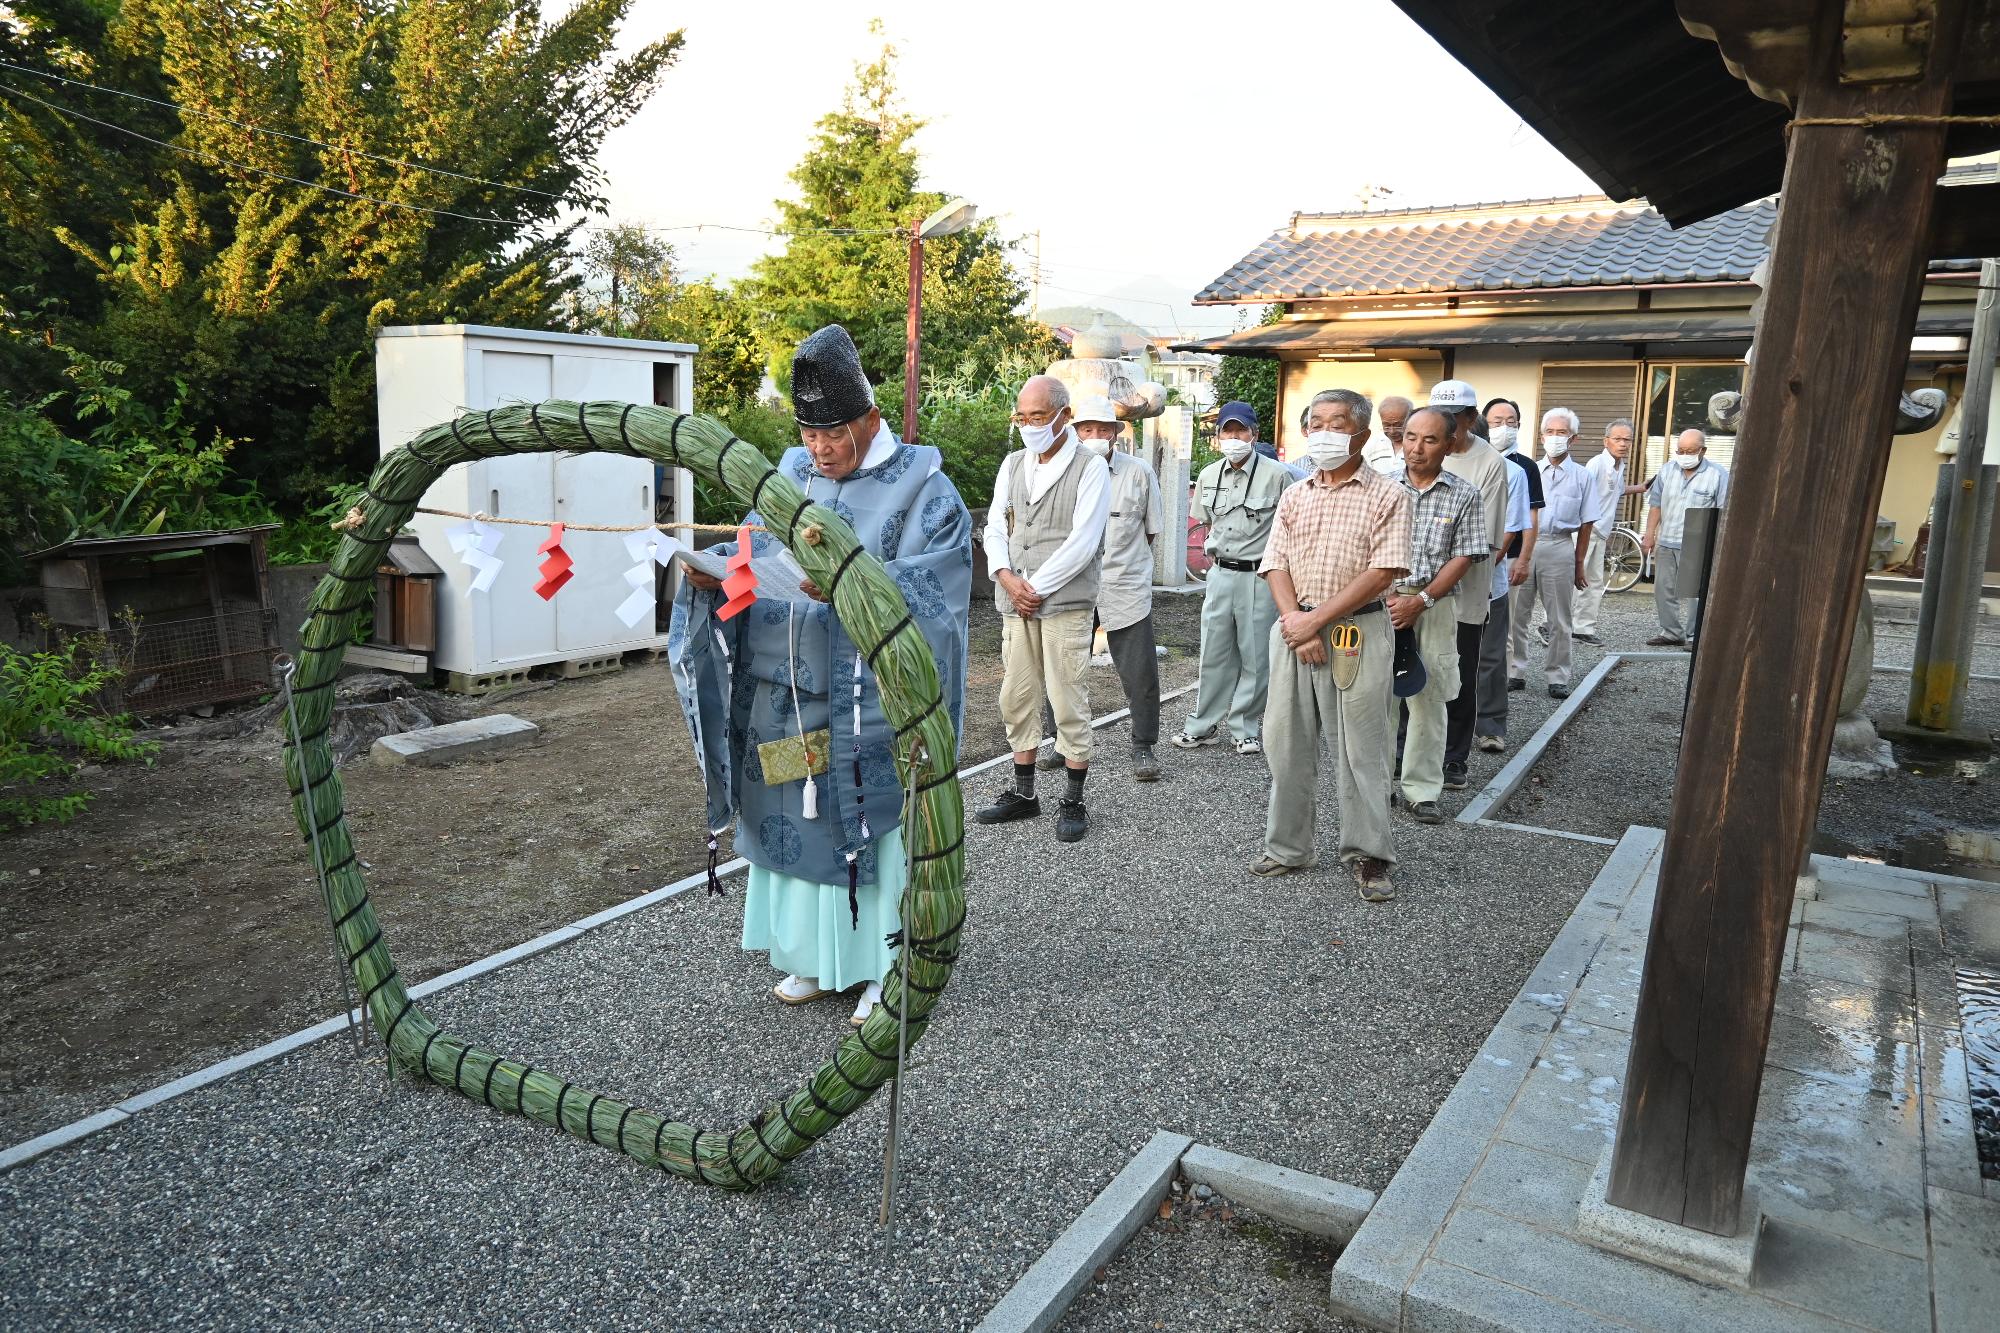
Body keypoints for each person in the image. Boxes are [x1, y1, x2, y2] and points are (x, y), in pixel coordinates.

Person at [669, 324, 973, 1027]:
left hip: (866, 705)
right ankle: (808, 952)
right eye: (809, 434)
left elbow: (942, 588)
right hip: (783, 695)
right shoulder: (788, 478)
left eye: (834, 433)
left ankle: (881, 964)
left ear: (871, 419)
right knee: (790, 823)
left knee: (865, 826)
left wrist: (850, 582)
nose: (820, 448)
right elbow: (754, 548)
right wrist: (713, 572)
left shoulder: (925, 489)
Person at [1249, 411, 1412, 902]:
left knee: (1361, 747)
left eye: (1336, 422)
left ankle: (1370, 855)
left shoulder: (1388, 494)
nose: (1323, 432)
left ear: (1361, 434)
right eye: (1315, 422)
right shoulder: (1296, 494)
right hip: (1295, 627)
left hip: (1356, 630)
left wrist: (1314, 621)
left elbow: (1383, 572)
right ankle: (1288, 847)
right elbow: (1275, 563)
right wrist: (1299, 622)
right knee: (1284, 740)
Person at [976, 375, 1111, 842]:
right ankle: (1024, 793)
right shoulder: (1014, 463)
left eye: (1038, 417)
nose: (1029, 426)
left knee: (1068, 696)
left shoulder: (1090, 467)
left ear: (1063, 416)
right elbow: (996, 525)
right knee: (1016, 696)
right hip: (1016, 601)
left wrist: (1034, 586)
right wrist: (1007, 578)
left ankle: (1073, 799)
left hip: (1065, 605)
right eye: (1023, 417)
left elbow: (1084, 541)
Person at [1035, 395, 1165, 782]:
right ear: (1073, 431)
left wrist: (1127, 568)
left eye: (1103, 430)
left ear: (1115, 435)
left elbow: (1152, 530)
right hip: (1072, 585)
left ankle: (1143, 746)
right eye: (1087, 429)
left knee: (1139, 671)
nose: (1095, 436)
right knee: (1062, 667)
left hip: (1124, 585)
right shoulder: (1060, 472)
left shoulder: (1139, 472)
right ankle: (1062, 741)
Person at [1176, 399, 1297, 755]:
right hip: (1220, 574)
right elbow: (1208, 523)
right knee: (1213, 651)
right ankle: (1202, 724)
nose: (1233, 437)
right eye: (1227, 431)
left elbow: (1289, 530)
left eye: (1239, 430)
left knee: (1256, 655)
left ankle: (1244, 727)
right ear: (1218, 437)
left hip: (1261, 576)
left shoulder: (1278, 475)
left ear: (1253, 433)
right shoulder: (1211, 474)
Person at [1388, 408, 1488, 823]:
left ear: (1449, 445)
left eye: (1429, 440)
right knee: (1375, 698)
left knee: (1431, 699)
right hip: (1381, 605)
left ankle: (1422, 790)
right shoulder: (1380, 487)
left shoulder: (1464, 493)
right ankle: (1374, 785)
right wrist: (1389, 598)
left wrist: (1422, 600)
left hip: (1433, 604)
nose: (1417, 448)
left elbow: (1464, 555)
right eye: (1411, 437)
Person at [1433, 381, 1526, 785]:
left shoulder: (1491, 464)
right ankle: (1405, 751)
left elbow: (1480, 539)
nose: (1446, 425)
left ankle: (1454, 757)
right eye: (1440, 416)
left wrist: (1429, 577)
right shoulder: (1424, 448)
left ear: (1472, 419)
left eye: (1454, 418)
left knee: (1460, 671)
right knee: (1411, 669)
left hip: (1464, 589)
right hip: (1412, 590)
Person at [1508, 408, 1606, 698]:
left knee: (1560, 618)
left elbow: (1588, 523)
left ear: (1573, 438)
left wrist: (1579, 563)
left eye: (1561, 432)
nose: (1555, 438)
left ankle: (1558, 676)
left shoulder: (1583, 476)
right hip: (1525, 544)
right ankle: (1514, 670)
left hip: (1560, 545)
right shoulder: (1527, 470)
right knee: (1516, 613)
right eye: (1549, 432)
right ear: (1540, 436)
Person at [1642, 428, 1730, 647]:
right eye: (1680, 450)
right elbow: (1655, 506)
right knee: (1663, 589)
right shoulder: (1666, 470)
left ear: (1703, 450)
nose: (1685, 455)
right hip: (1666, 538)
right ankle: (1671, 632)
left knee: (1694, 594)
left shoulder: (1718, 474)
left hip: (1696, 541)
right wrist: (1649, 535)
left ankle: (1694, 636)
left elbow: (1723, 512)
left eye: (1690, 450)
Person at [1575, 418, 1642, 643]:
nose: (1623, 443)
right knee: (1572, 580)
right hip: (1586, 530)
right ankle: (1551, 625)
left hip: (1601, 532)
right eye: (1617, 439)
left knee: (1594, 582)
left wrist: (1643, 487)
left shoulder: (1618, 465)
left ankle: (1583, 629)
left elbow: (1619, 491)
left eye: (1627, 440)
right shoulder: (1597, 464)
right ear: (1606, 441)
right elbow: (1581, 494)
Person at [1363, 395, 1413, 475]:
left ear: (1411, 418)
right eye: (1386, 425)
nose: (1392, 431)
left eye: (1398, 425)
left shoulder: (1418, 445)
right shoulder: (1372, 445)